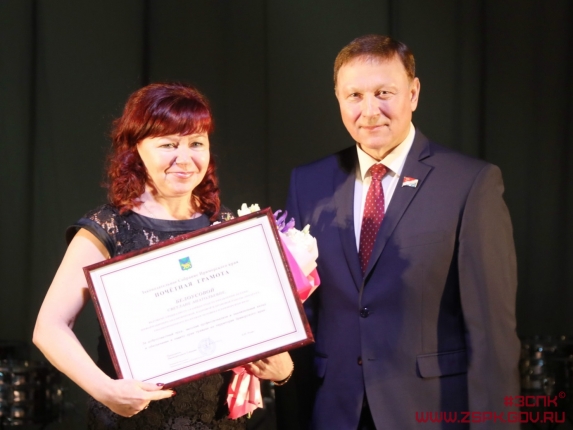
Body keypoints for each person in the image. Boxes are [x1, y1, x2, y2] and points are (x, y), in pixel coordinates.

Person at [281, 35, 520, 429]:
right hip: (333, 412)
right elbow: (301, 311)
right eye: (354, 95)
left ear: (413, 93)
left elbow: (492, 334)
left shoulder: (469, 183)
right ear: (338, 98)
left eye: (384, 93)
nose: (369, 110)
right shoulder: (309, 183)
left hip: (430, 413)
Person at [33, 82, 293, 430]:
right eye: (168, 144)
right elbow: (49, 327)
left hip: (216, 421)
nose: (184, 159)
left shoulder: (228, 224)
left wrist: (283, 367)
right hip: (133, 420)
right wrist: (106, 390)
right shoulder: (108, 227)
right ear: (136, 149)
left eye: (196, 143)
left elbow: (254, 324)